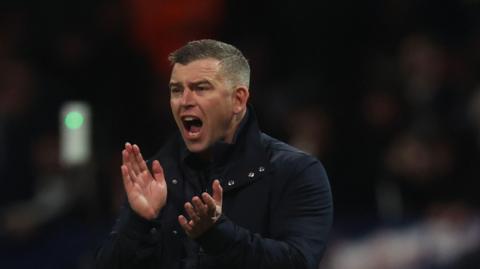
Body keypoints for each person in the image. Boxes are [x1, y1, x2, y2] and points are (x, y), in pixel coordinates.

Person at [95, 39, 333, 269]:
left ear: (238, 100)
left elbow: (299, 262)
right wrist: (138, 222)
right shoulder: (155, 177)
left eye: (200, 88)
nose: (184, 101)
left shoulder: (295, 171)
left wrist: (217, 235)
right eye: (176, 90)